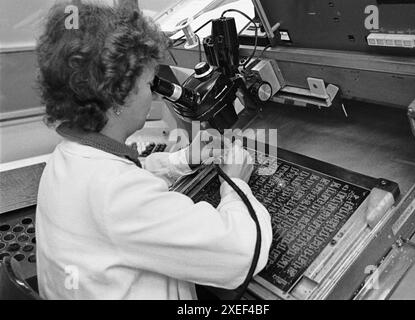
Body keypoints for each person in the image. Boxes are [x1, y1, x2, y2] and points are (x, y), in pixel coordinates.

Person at [35, 1, 272, 299]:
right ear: (118, 97)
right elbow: (243, 253)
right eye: (149, 85)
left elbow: (124, 180)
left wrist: (182, 160)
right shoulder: (116, 195)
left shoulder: (65, 160)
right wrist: (235, 183)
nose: (154, 96)